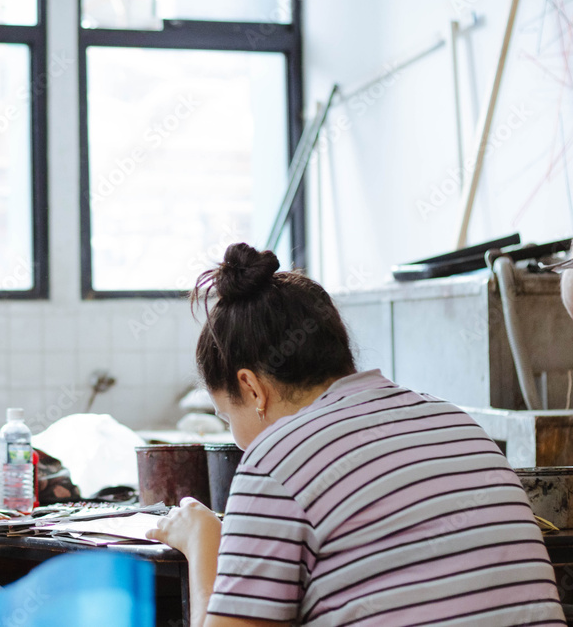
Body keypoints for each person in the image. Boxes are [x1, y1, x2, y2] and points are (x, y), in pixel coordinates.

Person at [147, 243, 566, 626]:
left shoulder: (273, 461)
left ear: (253, 389)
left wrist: (204, 543)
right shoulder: (458, 425)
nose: (237, 439)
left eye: (226, 417)